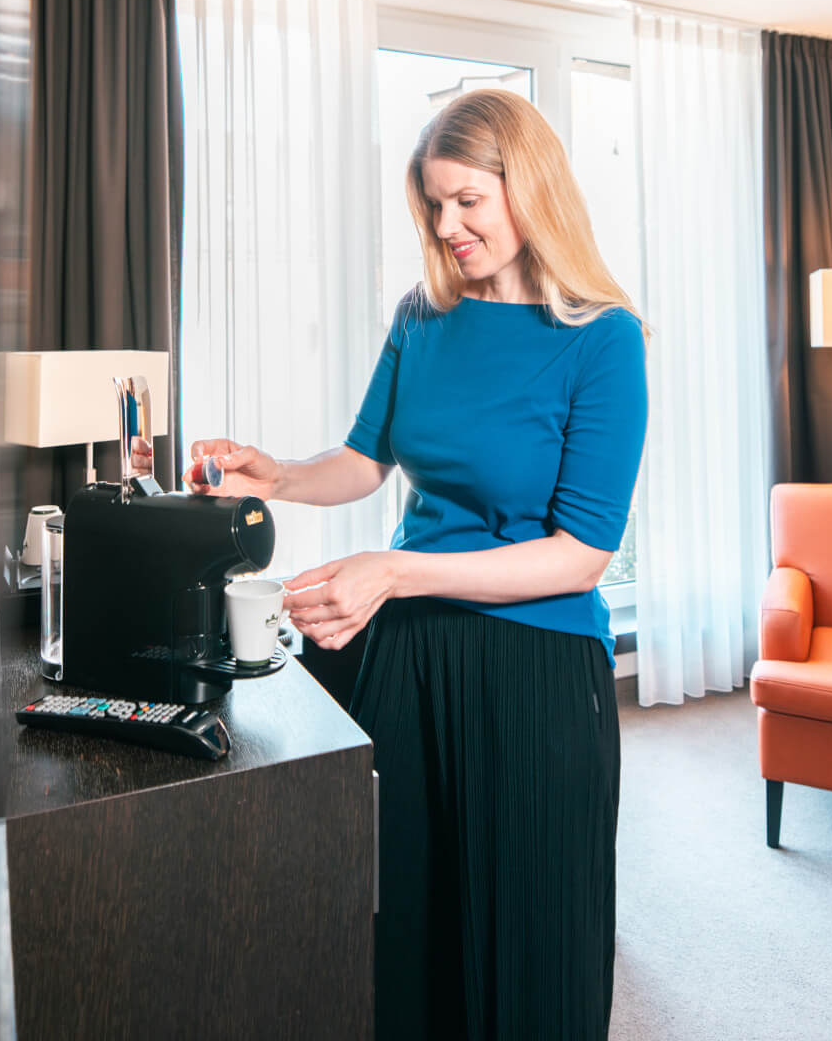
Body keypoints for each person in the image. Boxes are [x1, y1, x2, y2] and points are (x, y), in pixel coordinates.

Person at [184, 89, 648, 1040]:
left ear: (532, 190)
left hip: (535, 666)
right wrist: (276, 475)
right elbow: (366, 460)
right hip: (410, 652)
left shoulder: (602, 339)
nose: (447, 227)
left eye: (468, 201)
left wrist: (394, 572)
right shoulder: (422, 315)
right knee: (400, 919)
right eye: (435, 204)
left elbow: (581, 555)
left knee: (524, 941)